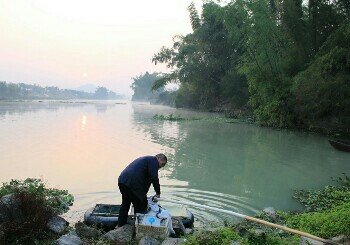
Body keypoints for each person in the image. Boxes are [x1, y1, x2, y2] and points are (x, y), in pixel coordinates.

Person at [117, 153, 167, 227]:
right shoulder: (154, 161)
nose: (161, 167)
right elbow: (154, 178)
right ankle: (139, 226)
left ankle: (120, 224)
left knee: (126, 203)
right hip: (132, 183)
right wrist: (158, 193)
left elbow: (146, 182)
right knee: (141, 204)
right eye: (162, 164)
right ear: (159, 159)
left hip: (123, 180)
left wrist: (144, 195)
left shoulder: (146, 160)